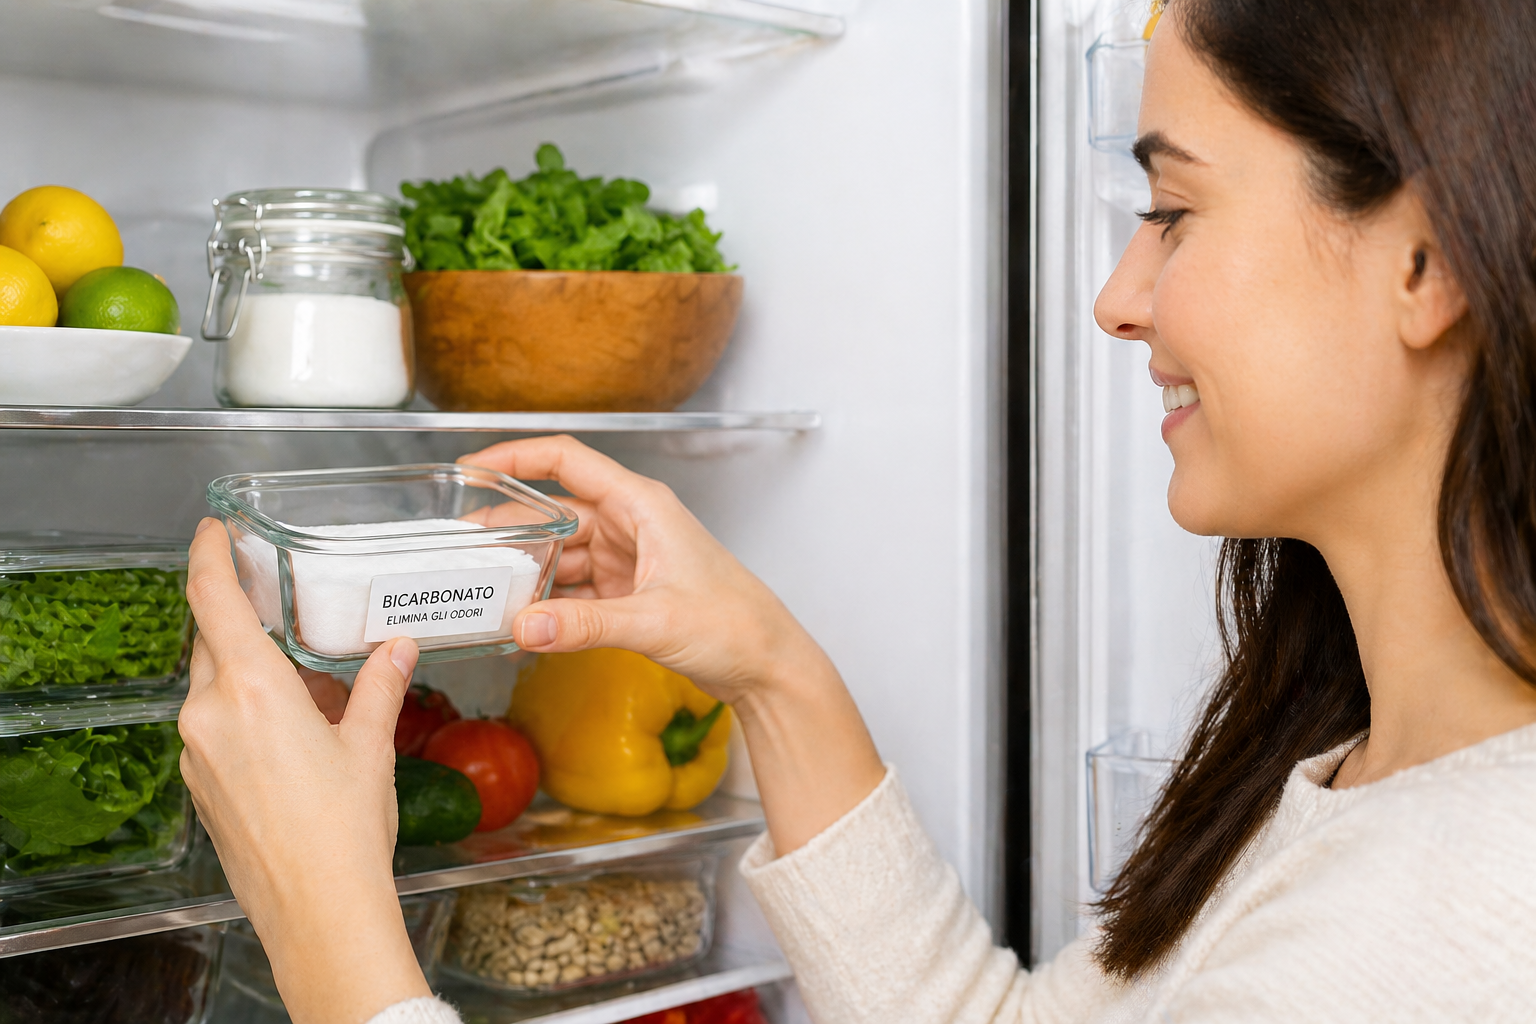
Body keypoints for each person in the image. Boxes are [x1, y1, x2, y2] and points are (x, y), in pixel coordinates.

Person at [178, 0, 1536, 1020]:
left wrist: (336, 936)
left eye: (1171, 209)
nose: (1119, 296)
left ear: (1425, 259)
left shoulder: (1463, 927)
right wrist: (767, 664)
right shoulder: (1356, 768)